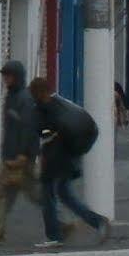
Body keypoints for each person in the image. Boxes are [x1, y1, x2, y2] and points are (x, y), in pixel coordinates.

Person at [29, 76, 109, 247]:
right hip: (69, 156)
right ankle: (97, 222)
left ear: (37, 93)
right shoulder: (61, 103)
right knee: (65, 194)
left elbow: (42, 134)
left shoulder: (42, 109)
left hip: (55, 159)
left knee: (48, 197)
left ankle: (54, 236)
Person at [0, 60, 41, 246]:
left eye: (8, 75)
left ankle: (61, 223)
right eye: (4, 75)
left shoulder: (24, 99)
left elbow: (29, 129)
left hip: (22, 160)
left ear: (17, 77)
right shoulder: (11, 97)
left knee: (38, 196)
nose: (5, 79)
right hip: (9, 159)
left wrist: (24, 155)